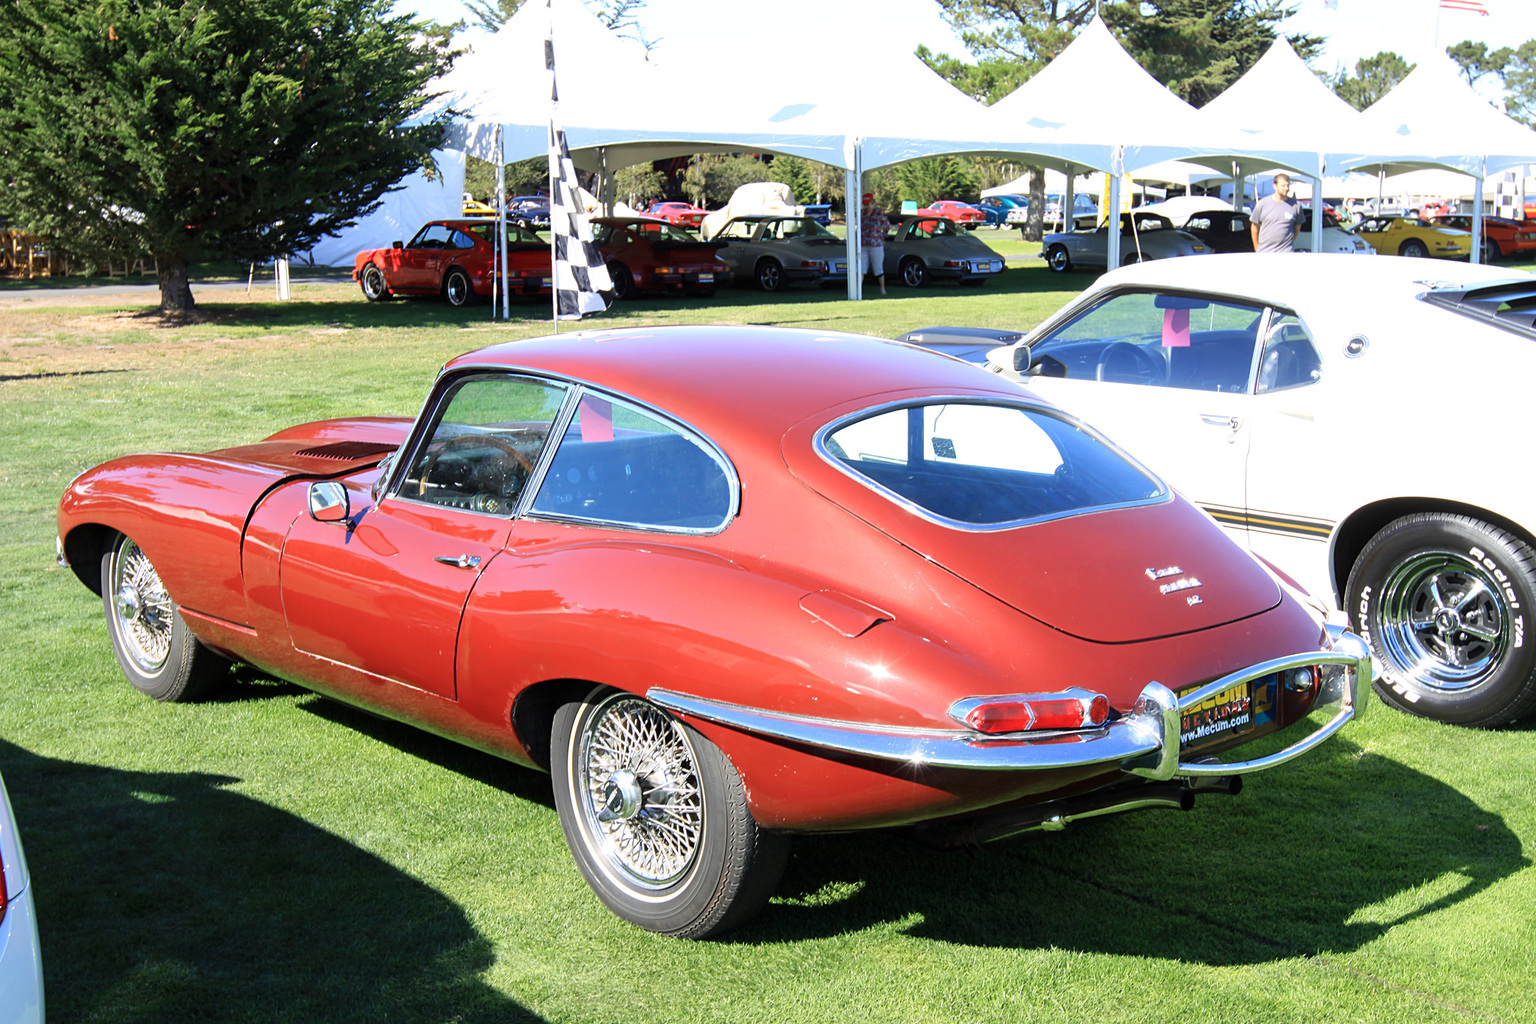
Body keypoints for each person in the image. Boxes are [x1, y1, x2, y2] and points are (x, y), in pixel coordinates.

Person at [1250, 173, 1301, 253]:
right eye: (1283, 186)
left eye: (1288, 185)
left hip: (1286, 253)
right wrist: (1257, 248)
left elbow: (1297, 228)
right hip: (1265, 252)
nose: (1286, 188)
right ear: (1275, 186)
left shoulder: (1296, 205)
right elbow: (1254, 227)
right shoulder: (1262, 204)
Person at [859, 192, 889, 295]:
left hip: (876, 244)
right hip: (863, 244)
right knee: (861, 268)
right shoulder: (862, 213)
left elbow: (887, 226)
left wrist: (881, 237)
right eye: (865, 205)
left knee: (878, 268)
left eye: (868, 204)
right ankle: (858, 290)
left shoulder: (880, 213)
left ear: (873, 203)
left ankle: (882, 289)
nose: (866, 207)